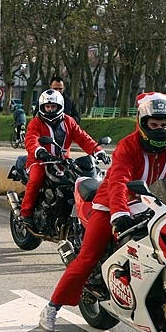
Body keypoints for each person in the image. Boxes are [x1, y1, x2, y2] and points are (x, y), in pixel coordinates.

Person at [38, 92, 166, 332]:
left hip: (157, 203)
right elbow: (118, 182)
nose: (159, 129)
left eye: (164, 124)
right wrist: (119, 214)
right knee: (87, 258)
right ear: (143, 123)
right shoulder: (129, 145)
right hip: (112, 204)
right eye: (154, 124)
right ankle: (52, 308)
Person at [19, 89, 108, 231]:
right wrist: (39, 151)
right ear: (42, 107)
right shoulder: (36, 122)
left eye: (53, 107)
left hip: (63, 161)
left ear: (59, 106)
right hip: (39, 161)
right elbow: (31, 140)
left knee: (80, 180)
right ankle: (25, 213)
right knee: (36, 178)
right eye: (47, 107)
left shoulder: (68, 121)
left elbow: (83, 138)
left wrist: (98, 151)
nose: (49, 109)